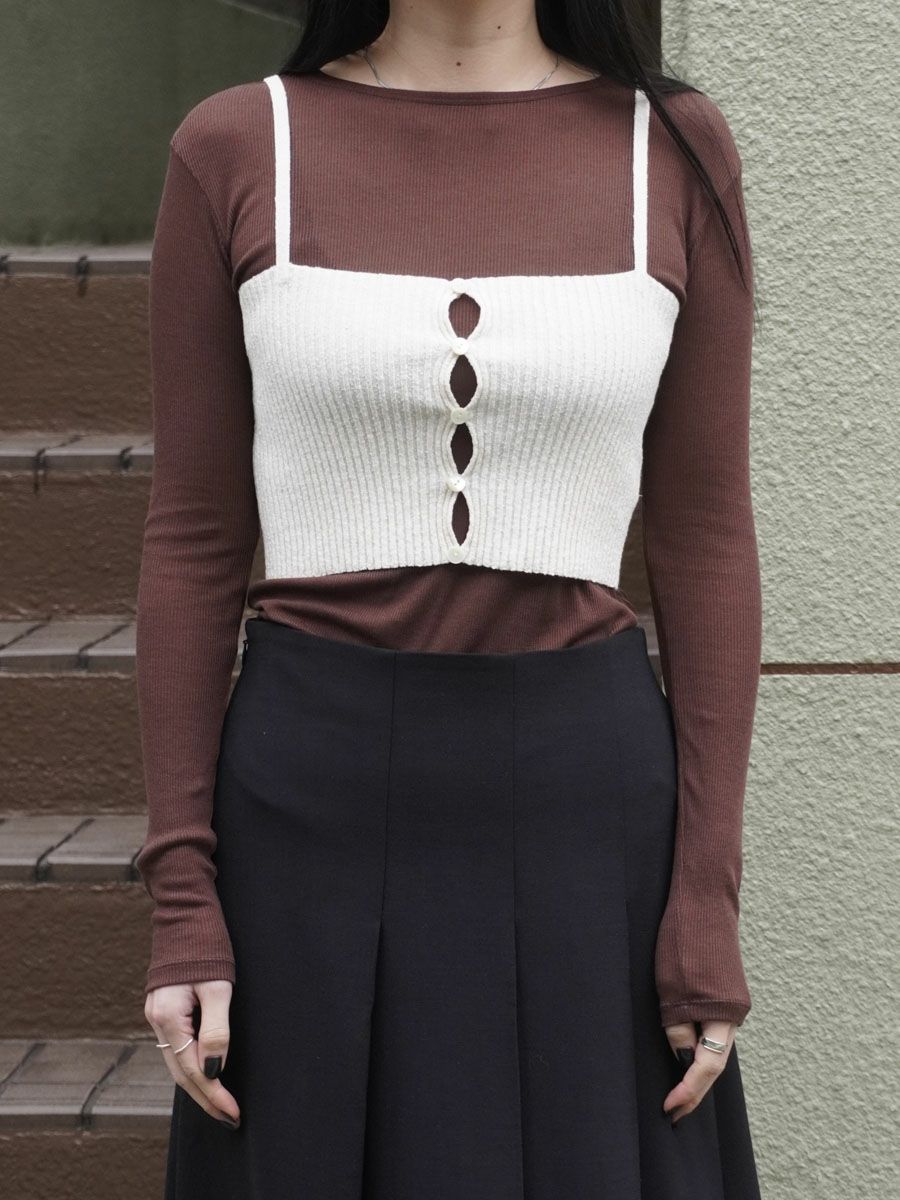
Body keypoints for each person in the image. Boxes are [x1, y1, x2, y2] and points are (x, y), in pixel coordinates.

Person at [135, 1, 764, 1196]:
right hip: (305, 812)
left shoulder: (674, 148)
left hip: (590, 821)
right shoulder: (237, 143)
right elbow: (192, 542)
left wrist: (706, 895)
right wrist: (182, 898)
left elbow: (707, 539)